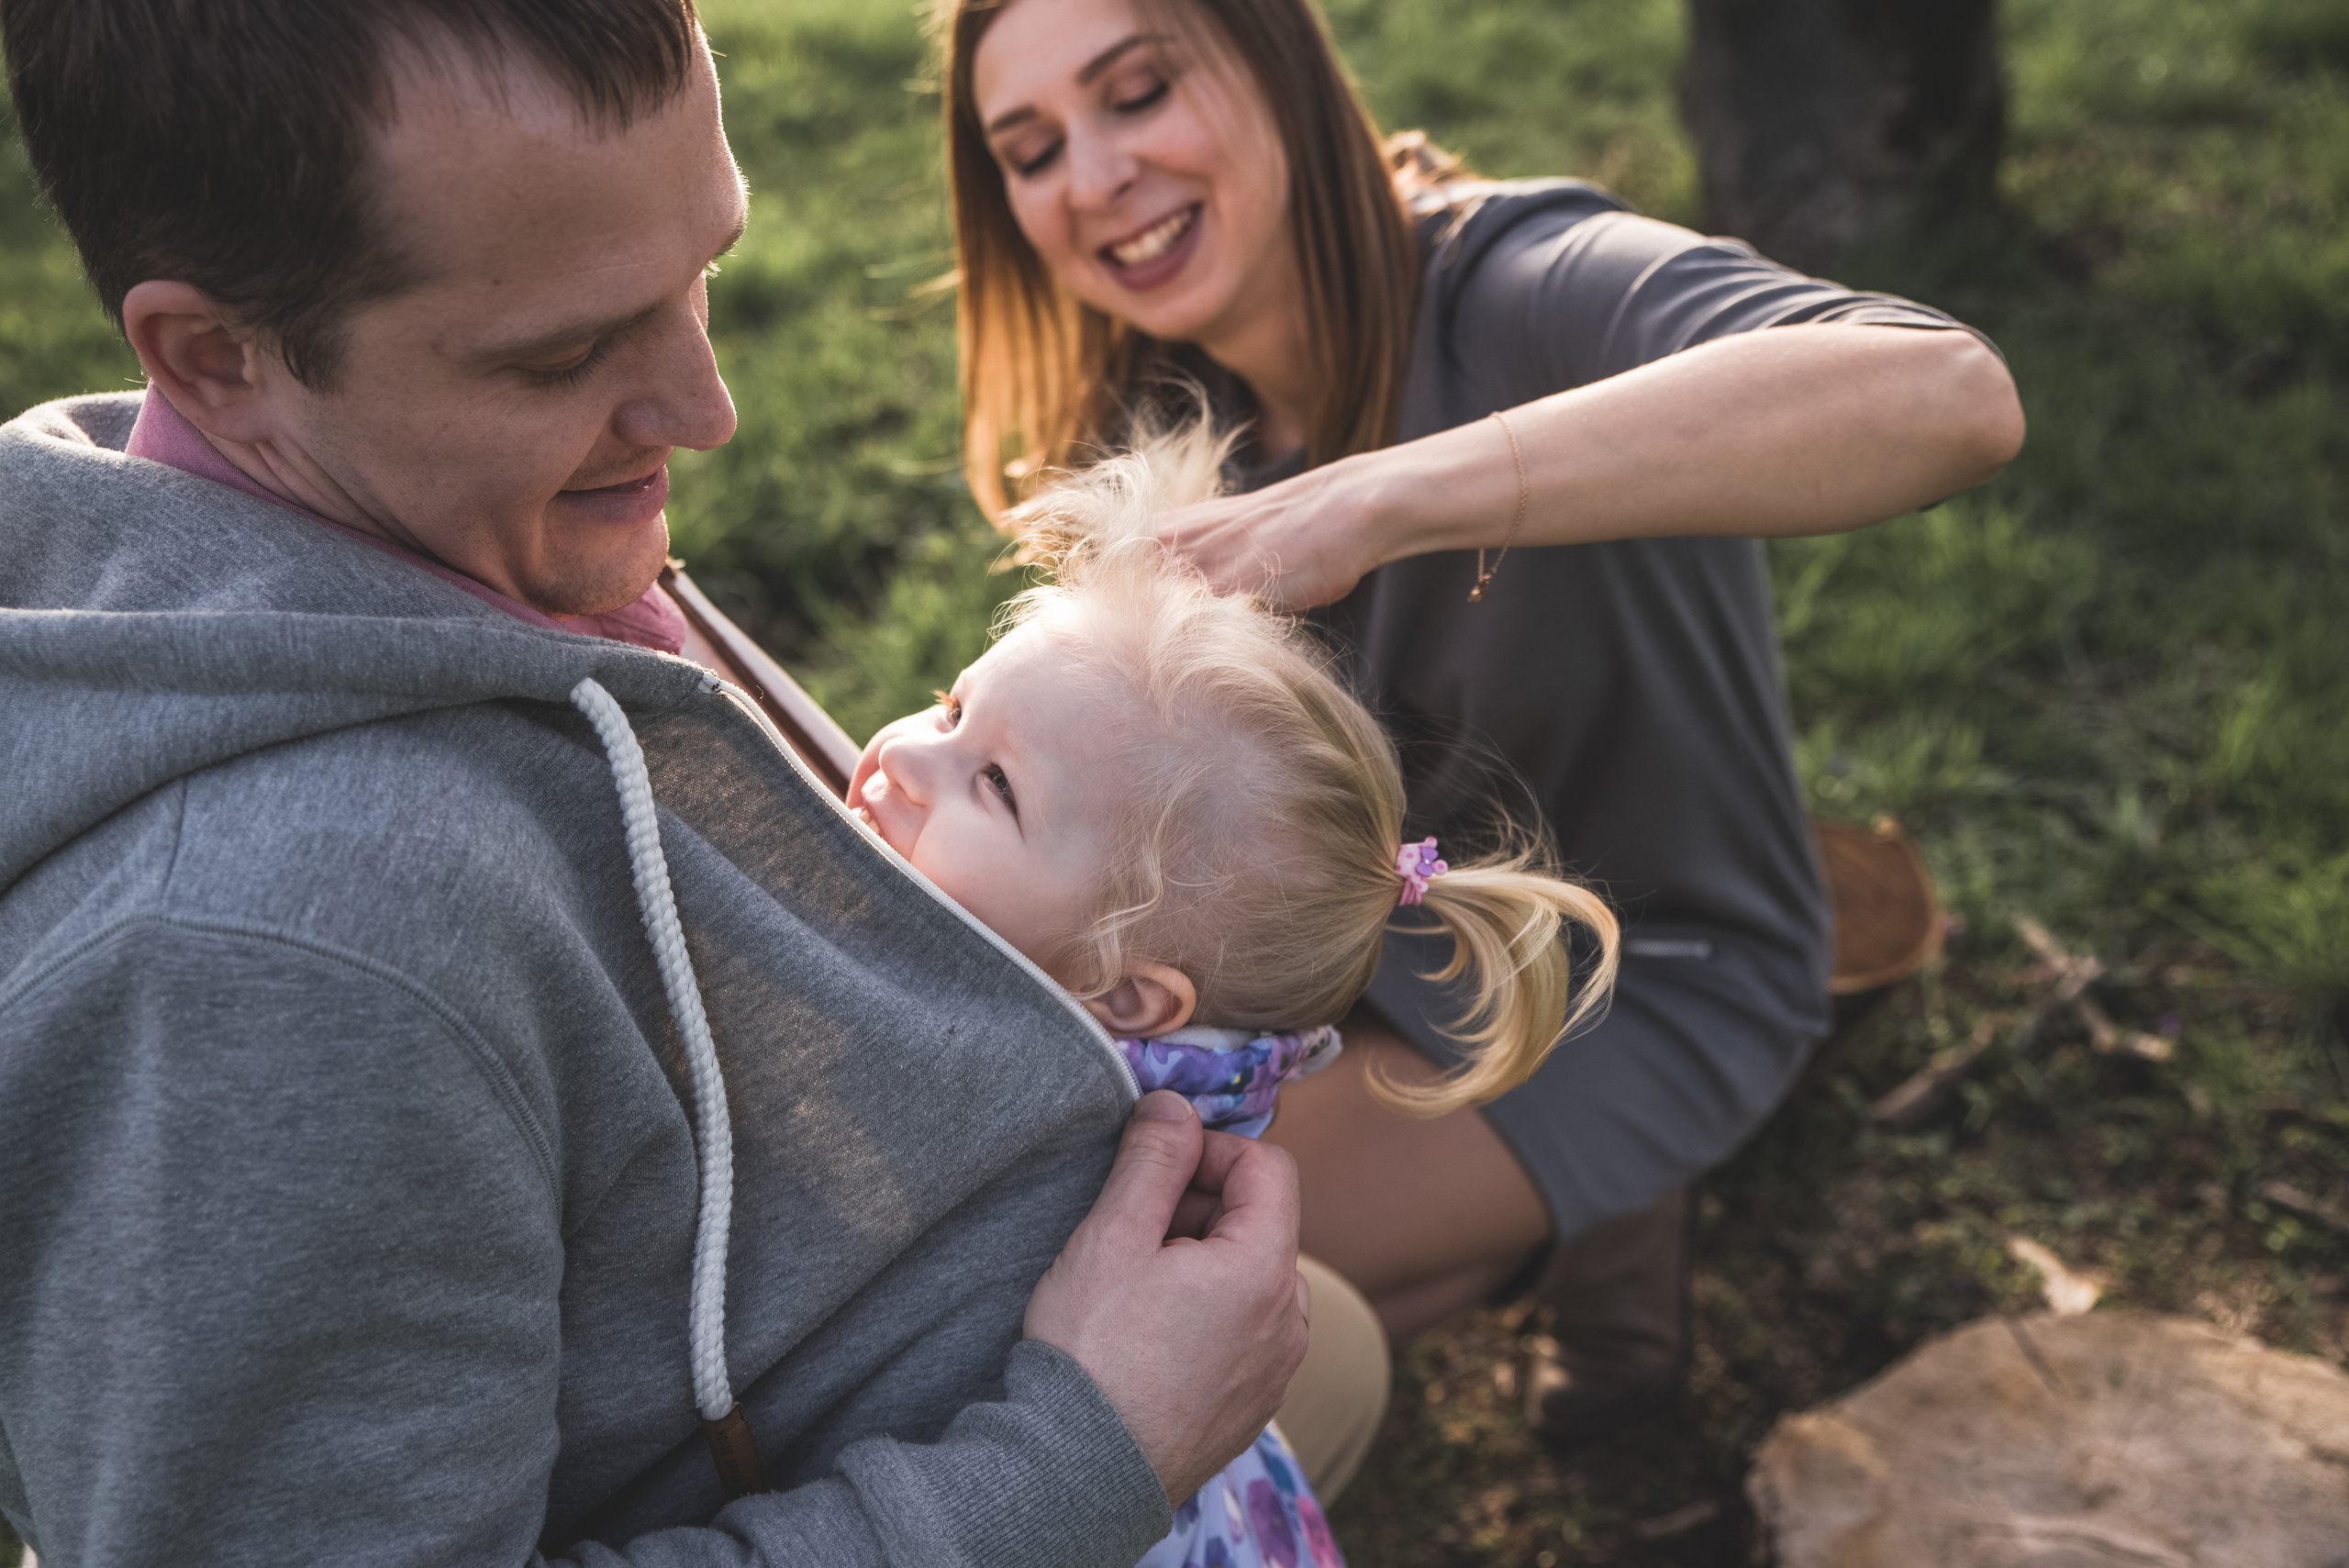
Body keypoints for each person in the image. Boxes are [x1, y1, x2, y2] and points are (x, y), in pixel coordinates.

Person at [0, 3, 1323, 1562]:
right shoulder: (271, 956)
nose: (706, 410)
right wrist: (1093, 1443)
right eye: (560, 354)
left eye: (700, 271)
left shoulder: (451, 516)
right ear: (218, 360)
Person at [936, 0, 2027, 1440]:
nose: (1092, 178)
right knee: (1041, 1258)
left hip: (1642, 963)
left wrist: (1374, 498)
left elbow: (1949, 394)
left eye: (1136, 92)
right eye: (1030, 151)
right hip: (1341, 953)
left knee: (1113, 1308)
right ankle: (1581, 1233)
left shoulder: (1522, 285)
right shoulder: (1156, 398)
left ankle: (1599, 1239)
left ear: (1278, 59)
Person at [841, 434, 1622, 1565]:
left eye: (995, 784)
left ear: (1124, 990)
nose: (904, 759)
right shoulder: (1048, 991)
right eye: (948, 706)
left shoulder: (1003, 1121)